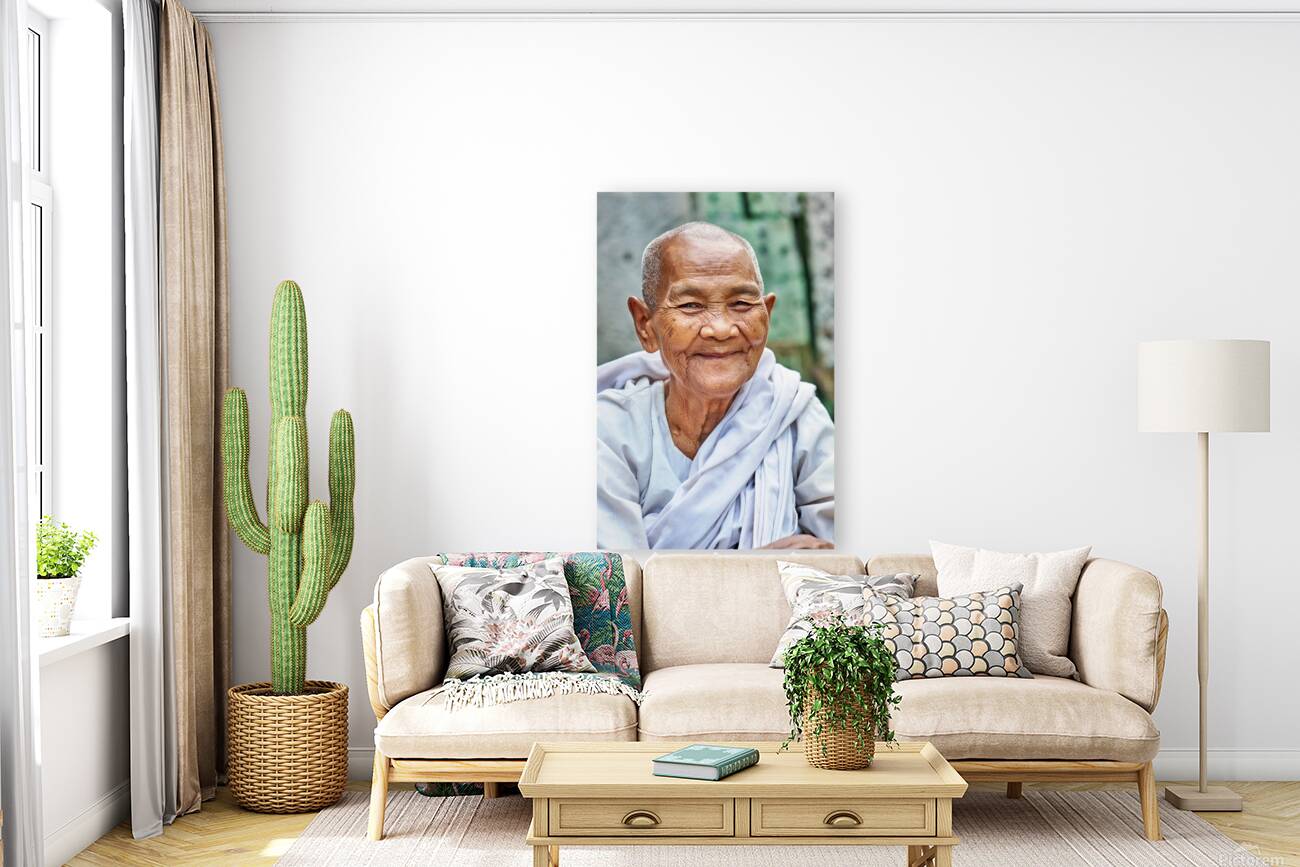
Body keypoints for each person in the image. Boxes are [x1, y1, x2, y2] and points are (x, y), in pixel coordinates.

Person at [596, 221, 834, 550]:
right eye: (691, 305)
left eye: (741, 304)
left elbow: (845, 561)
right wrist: (760, 566)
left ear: (767, 313)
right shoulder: (609, 429)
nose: (721, 329)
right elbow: (617, 584)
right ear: (645, 325)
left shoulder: (795, 415)